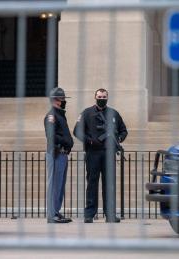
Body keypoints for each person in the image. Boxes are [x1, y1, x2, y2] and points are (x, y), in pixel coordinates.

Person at [73, 88, 127, 223]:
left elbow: (123, 130)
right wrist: (90, 140)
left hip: (109, 153)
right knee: (92, 183)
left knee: (109, 184)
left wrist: (117, 140)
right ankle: (89, 214)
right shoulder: (87, 113)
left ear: (107, 98)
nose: (101, 99)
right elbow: (76, 131)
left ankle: (110, 215)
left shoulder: (114, 113)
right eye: (99, 96)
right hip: (93, 153)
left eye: (104, 97)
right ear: (95, 97)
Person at [44, 87, 74, 223]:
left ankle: (56, 211)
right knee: (54, 184)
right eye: (62, 99)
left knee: (60, 184)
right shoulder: (51, 116)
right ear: (56, 100)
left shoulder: (60, 115)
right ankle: (52, 214)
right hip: (56, 153)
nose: (63, 101)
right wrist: (66, 140)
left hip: (63, 153)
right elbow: (51, 135)